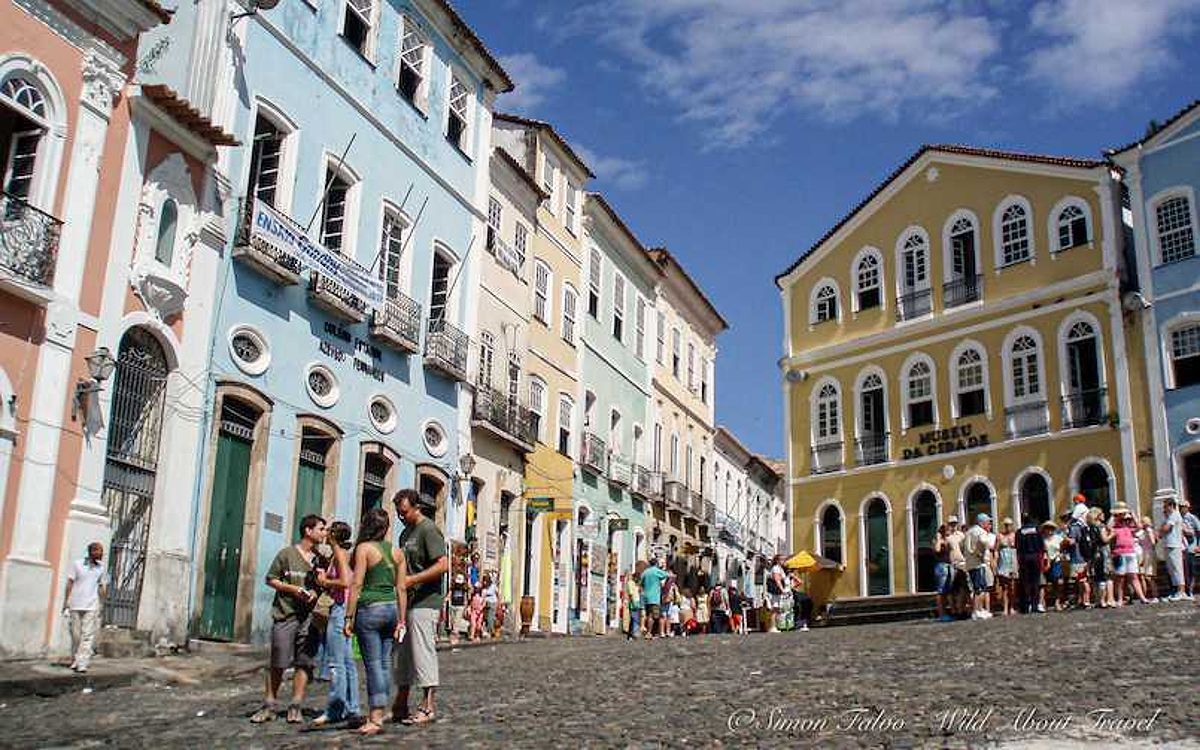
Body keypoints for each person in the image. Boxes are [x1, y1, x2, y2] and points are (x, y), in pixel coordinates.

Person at [252, 515, 327, 725]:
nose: (324, 533)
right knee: (278, 661)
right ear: (308, 531)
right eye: (321, 529)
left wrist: (314, 591)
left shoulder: (319, 559)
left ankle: (296, 705)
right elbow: (271, 579)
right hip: (285, 613)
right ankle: (270, 704)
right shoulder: (286, 554)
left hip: (309, 618)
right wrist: (293, 589)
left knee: (304, 662)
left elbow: (323, 585)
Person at [343, 508, 406, 736]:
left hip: (370, 609)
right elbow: (401, 587)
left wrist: (348, 616)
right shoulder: (397, 553)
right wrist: (401, 619)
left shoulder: (364, 549)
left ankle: (376, 717)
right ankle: (381, 709)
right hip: (391, 610)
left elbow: (357, 584)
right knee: (385, 663)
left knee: (372, 665)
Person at [392, 489, 449, 727]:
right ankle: (401, 703)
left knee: (423, 652)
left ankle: (428, 705)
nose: (401, 517)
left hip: (427, 601)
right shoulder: (405, 534)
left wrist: (413, 580)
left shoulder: (428, 530)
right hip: (408, 602)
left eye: (404, 512)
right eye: (398, 513)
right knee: (402, 654)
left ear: (417, 507)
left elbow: (443, 564)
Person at [308, 521, 362, 730]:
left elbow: (346, 582)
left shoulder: (339, 553)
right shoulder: (339, 553)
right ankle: (352, 707)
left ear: (333, 536)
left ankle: (334, 709)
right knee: (347, 662)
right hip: (345, 609)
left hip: (340, 609)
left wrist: (324, 582)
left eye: (327, 531)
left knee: (336, 663)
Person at [62, 542, 109, 673]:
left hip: (91, 605)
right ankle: (75, 659)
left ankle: (83, 662)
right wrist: (66, 602)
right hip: (76, 604)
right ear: (92, 552)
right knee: (76, 634)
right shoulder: (77, 564)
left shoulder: (101, 568)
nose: (101, 554)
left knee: (87, 635)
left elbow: (101, 585)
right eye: (99, 551)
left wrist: (103, 601)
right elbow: (70, 583)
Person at [1109, 504, 1149, 606]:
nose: (1125, 521)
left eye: (1126, 520)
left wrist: (1132, 514)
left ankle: (1142, 597)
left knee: (1134, 577)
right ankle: (1119, 599)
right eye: (1123, 519)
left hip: (1130, 553)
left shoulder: (1129, 528)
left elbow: (1139, 527)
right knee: (1120, 578)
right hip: (1119, 554)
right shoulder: (1114, 528)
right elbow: (1108, 526)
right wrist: (1115, 515)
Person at [963, 513, 993, 619]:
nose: (989, 524)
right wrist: (980, 552)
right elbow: (983, 542)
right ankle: (977, 610)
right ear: (982, 522)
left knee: (978, 588)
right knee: (979, 588)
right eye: (988, 522)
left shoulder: (969, 531)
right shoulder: (980, 532)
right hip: (978, 563)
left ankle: (979, 609)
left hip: (970, 563)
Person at [1063, 506, 1094, 608]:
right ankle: (1082, 600)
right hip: (1084, 556)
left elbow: (1072, 542)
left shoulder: (1074, 527)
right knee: (1082, 580)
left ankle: (1086, 600)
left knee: (1081, 580)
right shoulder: (1084, 526)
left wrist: (1064, 538)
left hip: (1077, 556)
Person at [1014, 515, 1044, 614]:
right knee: (1035, 581)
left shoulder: (1019, 532)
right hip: (1036, 557)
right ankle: (1035, 604)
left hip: (1024, 558)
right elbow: (1041, 546)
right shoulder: (1037, 530)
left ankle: (1026, 605)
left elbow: (1017, 547)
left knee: (1025, 582)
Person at [1160, 495, 1186, 601]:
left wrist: (1161, 529)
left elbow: (1165, 528)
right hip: (1169, 544)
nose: (1164, 509)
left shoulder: (1174, 515)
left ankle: (1181, 591)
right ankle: (1176, 591)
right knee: (1172, 570)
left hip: (1174, 544)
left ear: (1171, 506)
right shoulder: (1169, 517)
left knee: (1177, 569)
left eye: (1165, 506)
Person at [639, 559, 669, 639]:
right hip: (655, 597)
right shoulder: (656, 571)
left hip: (646, 597)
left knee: (649, 615)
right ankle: (652, 633)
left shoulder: (645, 572)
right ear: (656, 564)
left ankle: (650, 632)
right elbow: (667, 575)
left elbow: (641, 583)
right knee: (656, 616)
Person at [995, 518, 1019, 616]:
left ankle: (1012, 606)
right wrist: (996, 562)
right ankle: (1005, 607)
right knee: (1004, 586)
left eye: (1009, 525)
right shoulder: (1000, 536)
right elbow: (996, 549)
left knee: (1012, 586)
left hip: (1013, 560)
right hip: (1004, 560)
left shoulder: (1015, 535)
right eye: (1006, 525)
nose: (1007, 527)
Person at [1040, 520, 1065, 612]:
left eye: (1051, 528)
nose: (1049, 530)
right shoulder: (1042, 539)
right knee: (1045, 583)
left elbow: (1063, 547)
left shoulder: (1058, 538)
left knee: (1058, 582)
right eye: (1047, 528)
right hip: (1046, 562)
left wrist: (1061, 554)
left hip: (1056, 561)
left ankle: (1057, 602)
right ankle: (1044, 602)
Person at [932, 523, 954, 621]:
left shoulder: (947, 540)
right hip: (941, 566)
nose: (950, 531)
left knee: (947, 591)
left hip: (948, 565)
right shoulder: (938, 541)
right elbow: (937, 550)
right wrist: (939, 539)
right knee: (941, 591)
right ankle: (941, 614)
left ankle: (947, 612)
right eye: (948, 530)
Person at [1181, 499, 1200, 599]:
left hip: (1191, 547)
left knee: (1192, 570)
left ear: (1188, 507)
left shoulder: (1192, 518)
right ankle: (1188, 589)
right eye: (1181, 507)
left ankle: (1191, 590)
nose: (1182, 508)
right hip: (1183, 548)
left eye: (1184, 506)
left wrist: (1198, 545)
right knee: (1185, 570)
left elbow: (1198, 531)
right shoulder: (1179, 518)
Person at [1137, 515, 1159, 602]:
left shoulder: (1148, 530)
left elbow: (1153, 542)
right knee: (1148, 576)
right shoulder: (1145, 531)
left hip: (1148, 553)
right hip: (1146, 553)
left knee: (1149, 576)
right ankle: (1154, 595)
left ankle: (1155, 595)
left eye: (1142, 522)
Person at [625, 565, 644, 640]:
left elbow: (638, 592)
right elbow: (631, 594)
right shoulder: (630, 583)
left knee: (634, 619)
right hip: (634, 602)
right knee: (635, 619)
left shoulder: (636, 584)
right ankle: (634, 634)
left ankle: (630, 635)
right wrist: (633, 603)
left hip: (637, 601)